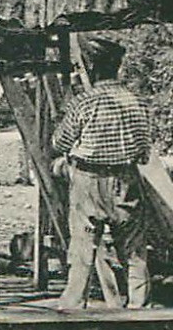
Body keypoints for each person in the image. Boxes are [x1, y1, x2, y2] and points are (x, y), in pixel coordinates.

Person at [51, 37, 152, 309]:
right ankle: (139, 311)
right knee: (133, 251)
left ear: (93, 68)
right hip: (125, 180)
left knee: (83, 248)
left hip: (89, 180)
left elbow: (59, 143)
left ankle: (73, 308)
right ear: (117, 68)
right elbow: (144, 152)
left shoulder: (85, 102)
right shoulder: (136, 101)